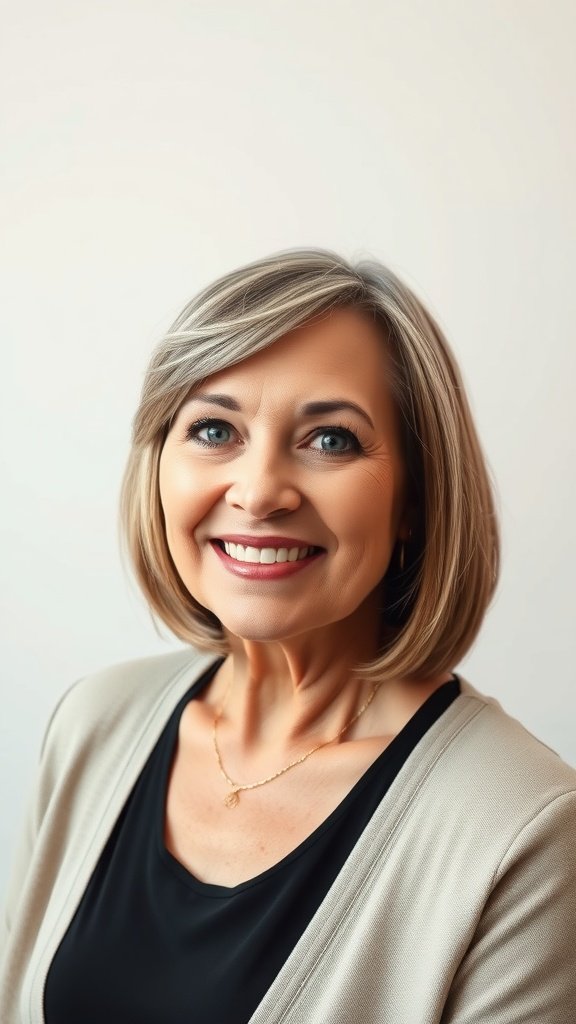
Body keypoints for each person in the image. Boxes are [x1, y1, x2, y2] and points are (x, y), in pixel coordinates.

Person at [1, 249, 575, 1024]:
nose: (260, 491)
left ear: (415, 499)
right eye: (213, 429)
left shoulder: (521, 827)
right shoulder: (95, 725)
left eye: (331, 440)